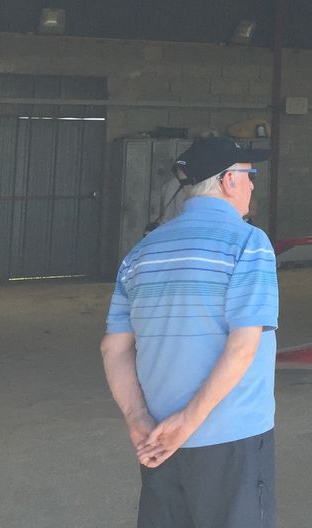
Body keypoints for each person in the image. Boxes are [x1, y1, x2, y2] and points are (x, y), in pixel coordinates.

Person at [101, 136, 277, 528]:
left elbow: (113, 349)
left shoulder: (141, 253)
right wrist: (188, 422)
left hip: (157, 442)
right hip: (232, 439)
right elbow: (242, 347)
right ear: (229, 180)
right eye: (251, 175)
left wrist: (138, 421)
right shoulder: (249, 243)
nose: (252, 185)